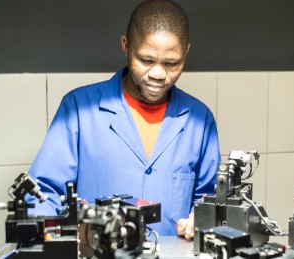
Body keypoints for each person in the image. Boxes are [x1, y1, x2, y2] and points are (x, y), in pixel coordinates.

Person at [26, 0, 220, 239]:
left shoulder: (200, 121)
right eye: (146, 60)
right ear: (126, 46)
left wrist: (201, 219)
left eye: (172, 63)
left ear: (186, 52)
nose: (158, 74)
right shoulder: (78, 110)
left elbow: (209, 200)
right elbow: (43, 194)